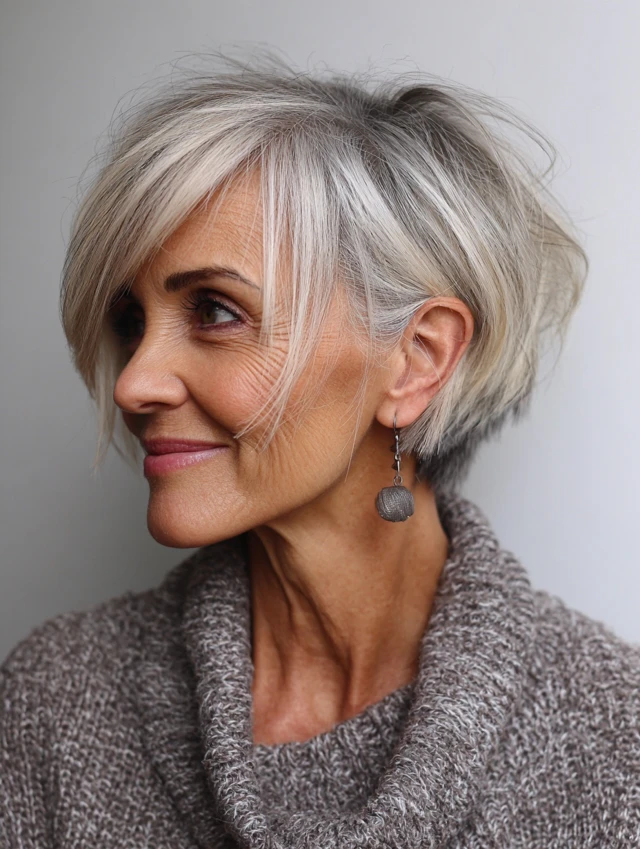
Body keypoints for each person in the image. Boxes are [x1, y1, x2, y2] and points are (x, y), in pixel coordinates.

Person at [1, 53, 638, 849]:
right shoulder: (55, 703)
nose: (133, 382)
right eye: (132, 321)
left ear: (417, 360)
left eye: (216, 311)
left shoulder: (614, 747)